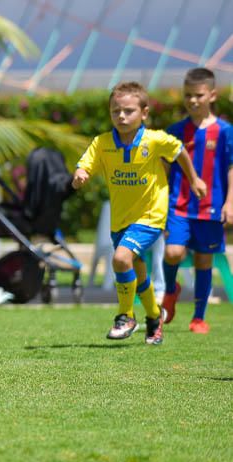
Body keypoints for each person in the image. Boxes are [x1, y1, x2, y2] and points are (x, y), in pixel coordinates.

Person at [72, 81, 206, 345]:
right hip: (121, 219)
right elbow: (84, 164)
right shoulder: (102, 143)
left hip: (150, 217)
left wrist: (194, 180)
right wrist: (80, 174)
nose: (121, 116)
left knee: (121, 259)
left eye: (129, 111)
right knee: (139, 274)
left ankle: (125, 316)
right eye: (116, 111)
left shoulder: (154, 140)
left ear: (144, 113)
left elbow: (179, 151)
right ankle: (155, 318)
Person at [161, 68, 233, 334]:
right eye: (188, 95)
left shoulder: (226, 132)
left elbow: (231, 169)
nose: (192, 100)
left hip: (211, 207)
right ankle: (171, 289)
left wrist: (230, 203)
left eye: (198, 95)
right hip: (178, 206)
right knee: (173, 252)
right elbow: (164, 168)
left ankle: (198, 318)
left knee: (204, 260)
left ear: (212, 95)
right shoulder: (175, 130)